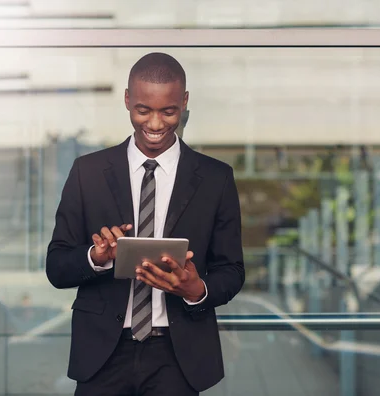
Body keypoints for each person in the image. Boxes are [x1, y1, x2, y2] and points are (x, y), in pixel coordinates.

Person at [45, 52, 245, 396]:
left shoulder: (216, 179)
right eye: (143, 110)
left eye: (168, 111)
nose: (155, 124)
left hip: (178, 357)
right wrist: (96, 256)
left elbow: (232, 270)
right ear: (126, 100)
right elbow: (57, 266)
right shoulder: (87, 172)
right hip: (102, 355)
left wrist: (196, 290)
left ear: (183, 102)